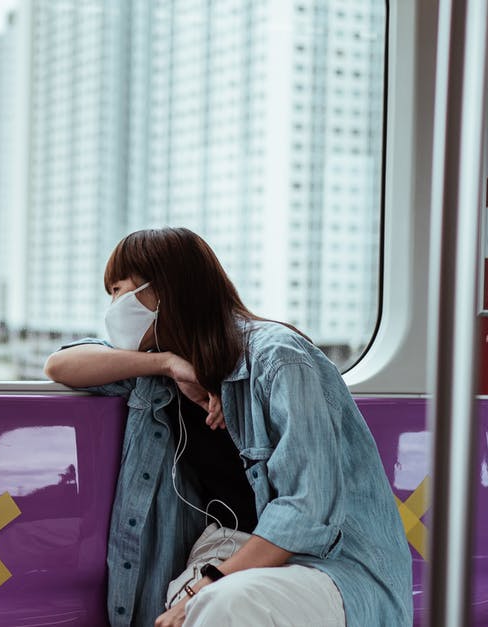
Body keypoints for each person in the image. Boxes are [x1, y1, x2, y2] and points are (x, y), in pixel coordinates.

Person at [44, 228, 410, 627]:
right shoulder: (161, 374)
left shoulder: (279, 360)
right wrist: (166, 362)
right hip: (237, 556)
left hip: (329, 567)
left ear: (161, 291)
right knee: (200, 604)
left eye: (119, 290)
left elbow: (307, 509)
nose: (114, 306)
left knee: (223, 605)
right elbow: (62, 365)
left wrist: (208, 586)